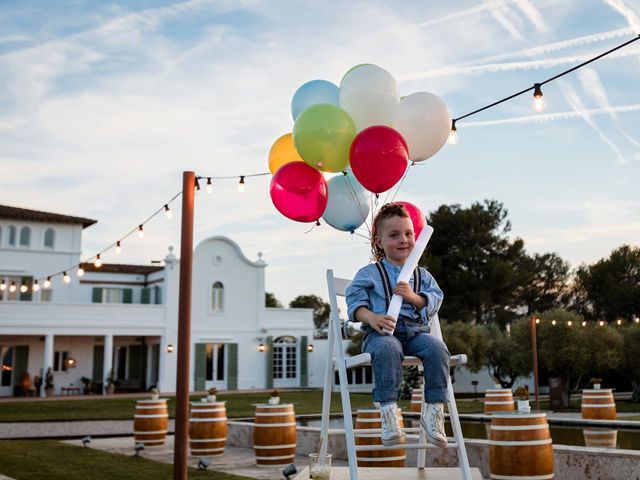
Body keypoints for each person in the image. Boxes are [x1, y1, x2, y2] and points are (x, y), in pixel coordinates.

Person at [346, 202, 450, 448]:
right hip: (380, 334)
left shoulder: (422, 275)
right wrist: (372, 318)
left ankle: (433, 412)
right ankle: (389, 413)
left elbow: (435, 300)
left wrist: (414, 297)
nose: (403, 240)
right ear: (379, 242)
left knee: (438, 349)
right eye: (394, 235)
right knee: (389, 348)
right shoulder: (370, 273)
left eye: (408, 233)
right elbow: (354, 302)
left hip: (415, 334)